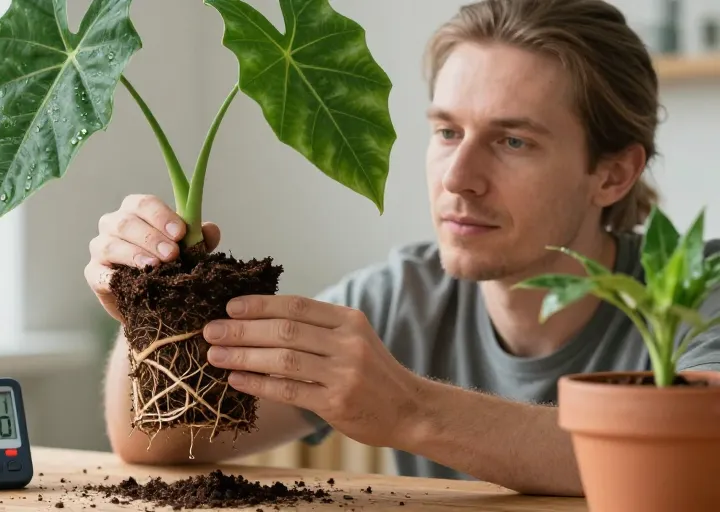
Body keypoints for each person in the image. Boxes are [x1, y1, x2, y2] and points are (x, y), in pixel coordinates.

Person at [85, 0, 720, 498]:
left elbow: (694, 452)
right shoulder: (397, 298)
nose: (457, 177)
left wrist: (409, 409)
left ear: (612, 174)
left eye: (513, 142)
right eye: (447, 131)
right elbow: (157, 445)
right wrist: (147, 311)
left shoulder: (698, 291)